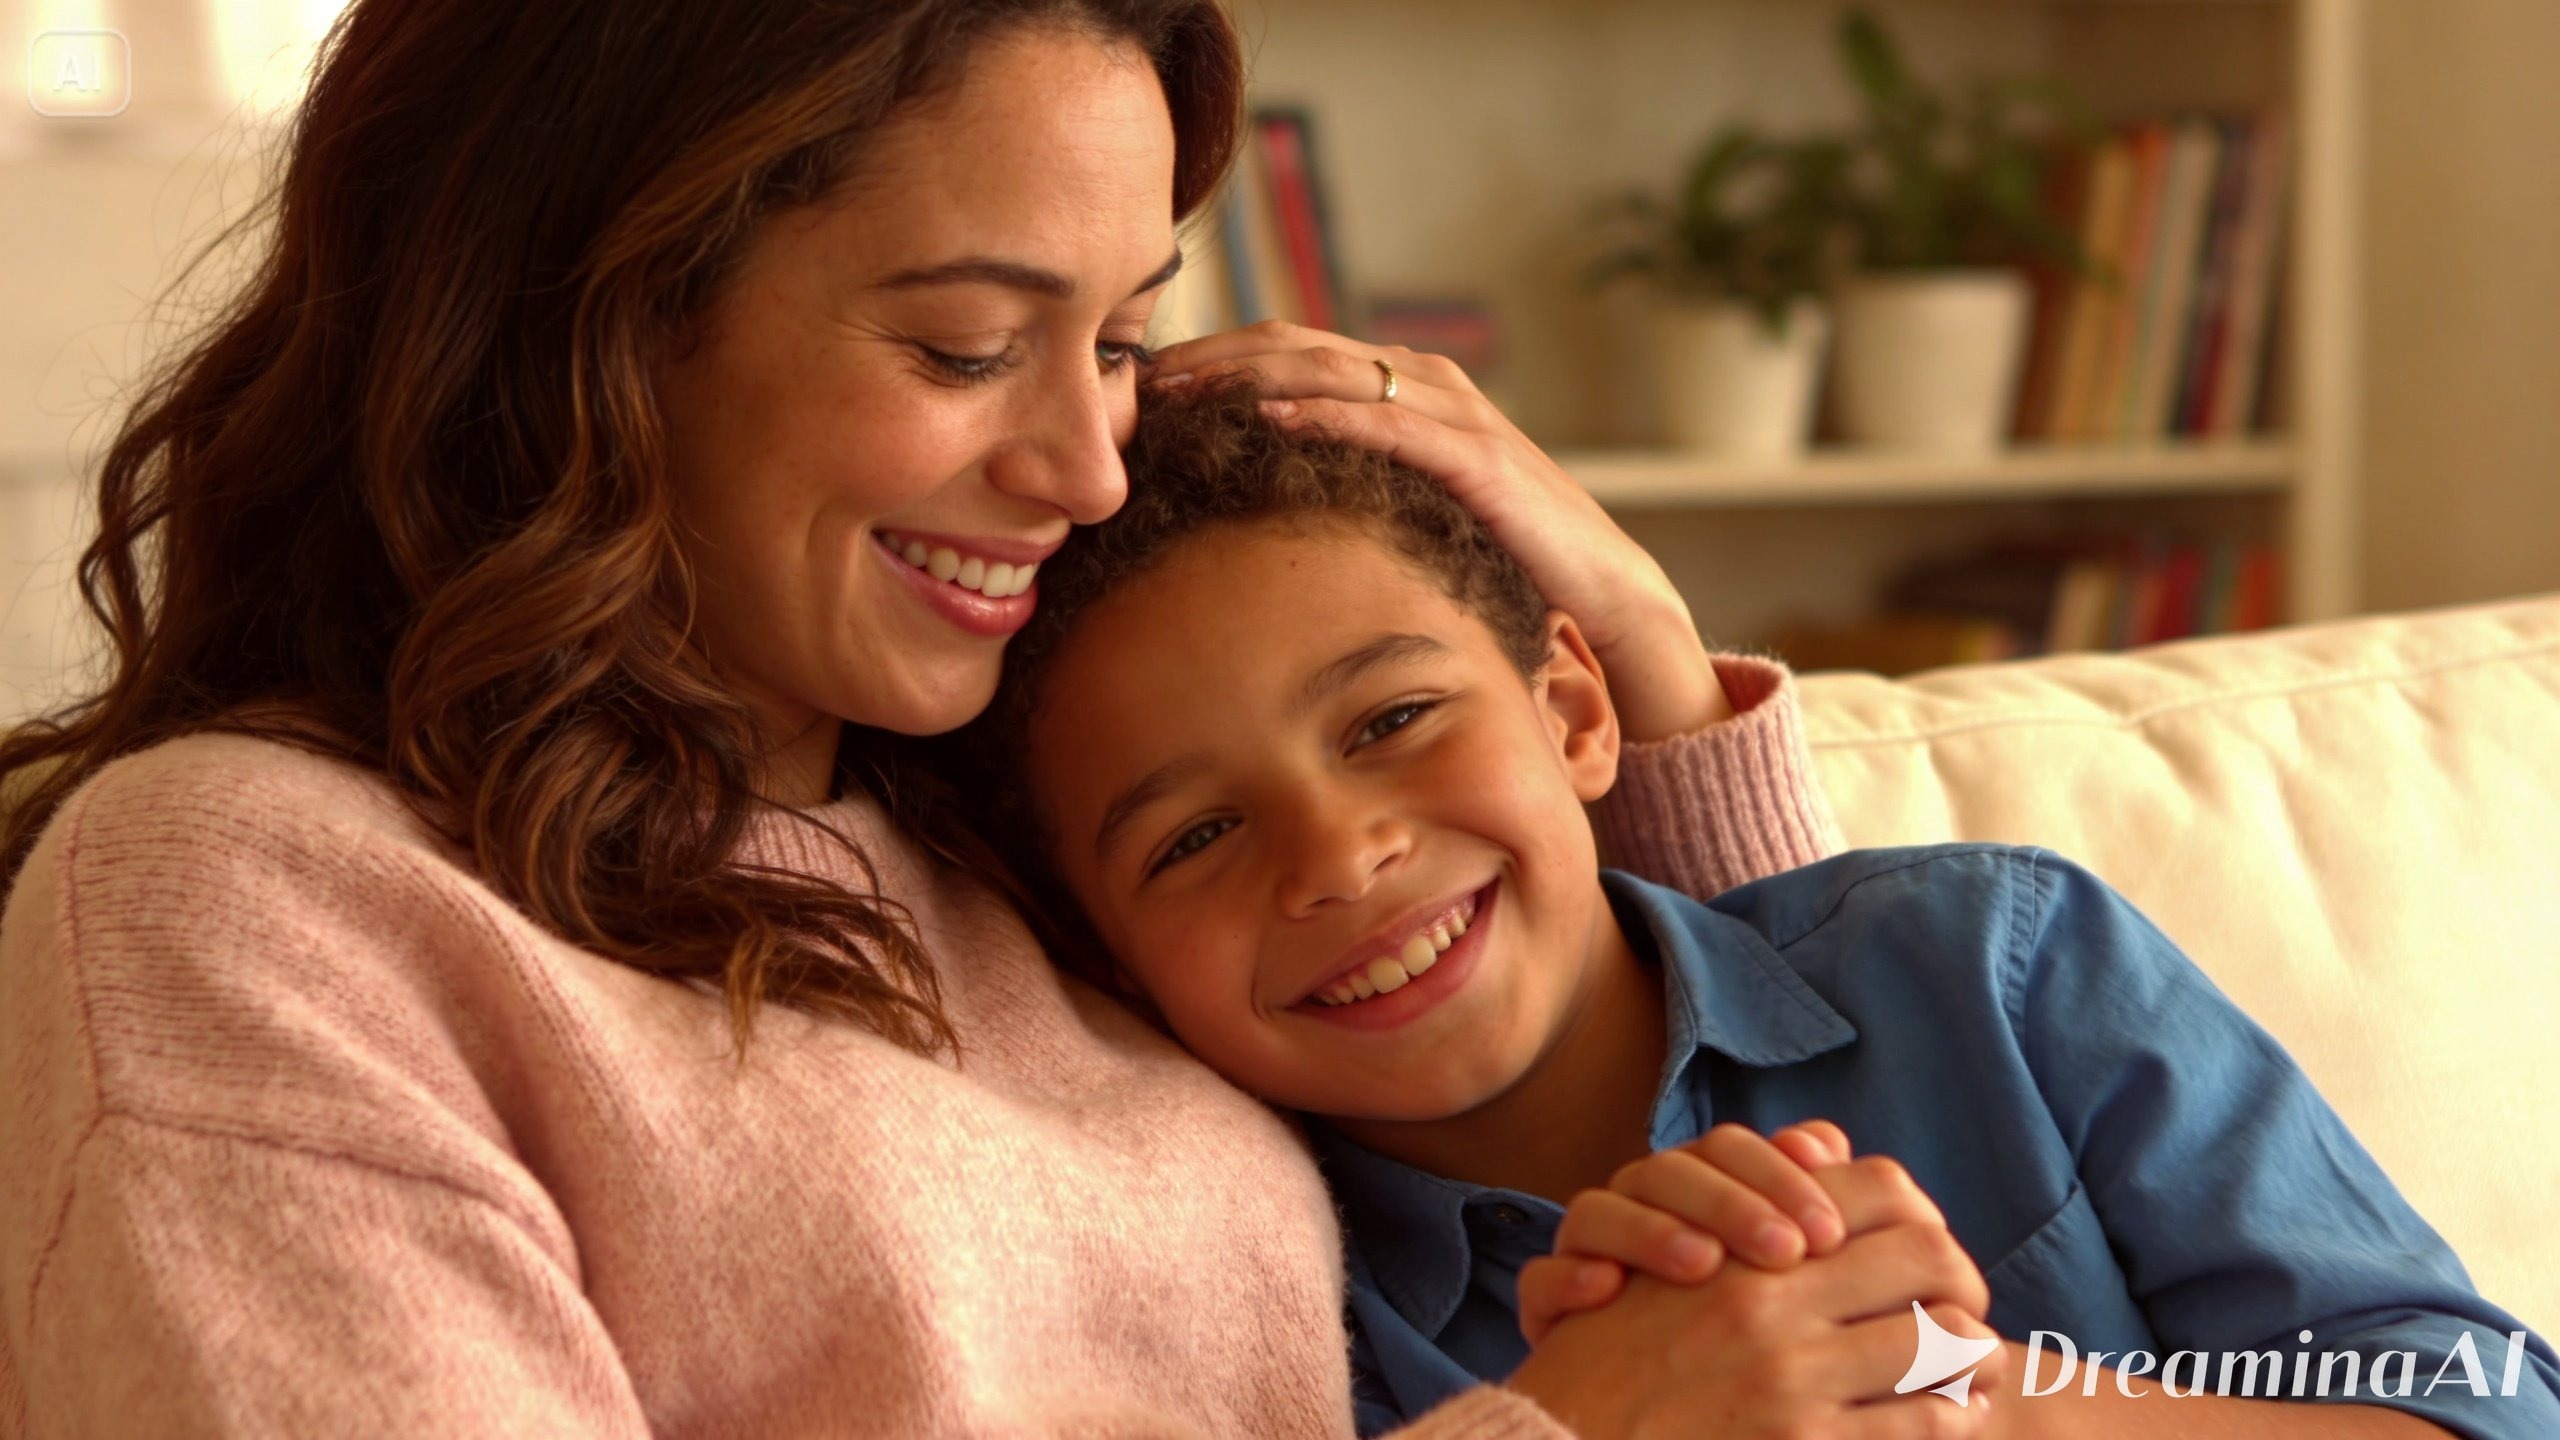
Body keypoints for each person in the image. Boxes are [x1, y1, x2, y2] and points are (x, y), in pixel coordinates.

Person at [0, 2, 1881, 1436]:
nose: (1084, 468)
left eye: (1123, 342)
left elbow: (1720, 1092)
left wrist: (1630, 633)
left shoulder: (1034, 814)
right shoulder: (242, 899)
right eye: (969, 348)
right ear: (580, 321)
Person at [961, 379, 2560, 1440]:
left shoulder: (1984, 965)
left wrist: (1977, 1391)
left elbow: (2489, 1403)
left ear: (1578, 715)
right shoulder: (1277, 1319)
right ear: (1109, 960)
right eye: (1196, 837)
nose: (1335, 857)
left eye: (1391, 722)